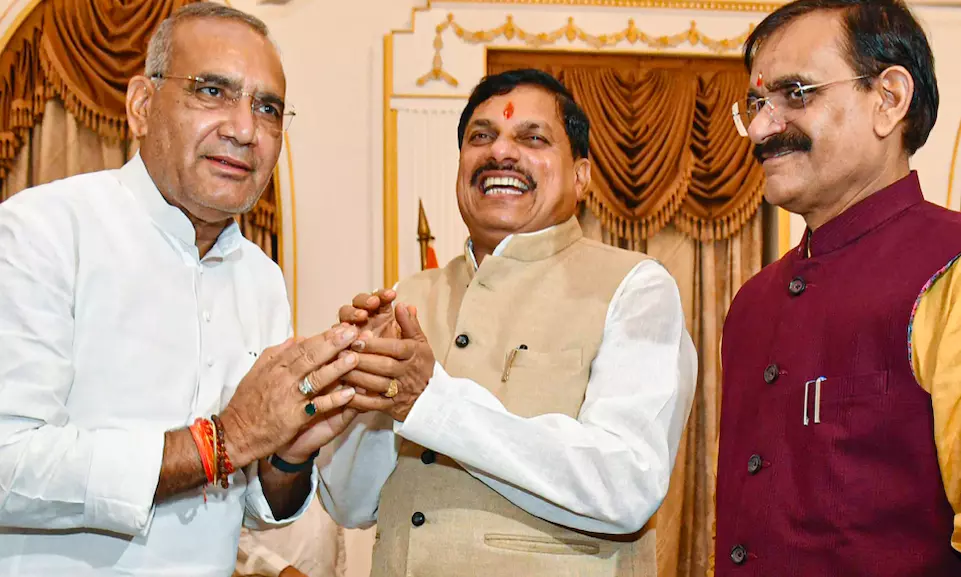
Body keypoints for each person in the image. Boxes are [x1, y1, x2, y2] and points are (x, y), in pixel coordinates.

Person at [0, 4, 360, 575]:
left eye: (267, 108)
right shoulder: (43, 231)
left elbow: (252, 508)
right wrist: (222, 440)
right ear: (142, 106)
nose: (244, 130)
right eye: (212, 92)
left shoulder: (261, 278)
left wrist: (291, 452)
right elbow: (8, 465)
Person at [323, 68, 698, 577]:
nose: (500, 152)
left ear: (581, 176)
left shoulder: (635, 287)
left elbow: (627, 484)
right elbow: (351, 505)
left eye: (532, 138)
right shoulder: (407, 299)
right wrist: (363, 391)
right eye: (481, 137)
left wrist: (431, 402)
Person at [713, 1, 961, 575]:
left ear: (889, 100)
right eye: (756, 104)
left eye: (795, 93)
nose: (761, 129)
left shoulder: (950, 267)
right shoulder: (753, 302)